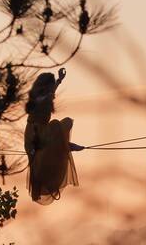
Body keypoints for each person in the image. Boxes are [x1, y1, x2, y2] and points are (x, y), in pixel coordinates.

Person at [24, 68, 84, 205]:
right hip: (34, 136)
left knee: (66, 122)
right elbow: (45, 97)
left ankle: (65, 146)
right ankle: (66, 146)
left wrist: (59, 80)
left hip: (43, 133)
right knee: (56, 125)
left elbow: (51, 92)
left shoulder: (46, 97)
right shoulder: (38, 99)